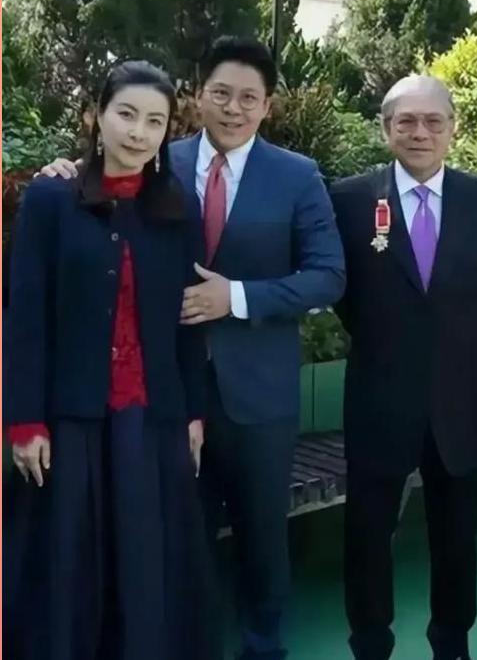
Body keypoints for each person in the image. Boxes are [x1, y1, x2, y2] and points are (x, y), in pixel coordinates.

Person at [35, 35, 346, 660]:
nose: (233, 108)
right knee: (174, 534)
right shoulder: (156, 158)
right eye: (221, 93)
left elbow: (329, 275)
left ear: (267, 106)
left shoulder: (297, 176)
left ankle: (262, 647)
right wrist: (63, 170)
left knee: (262, 536)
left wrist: (237, 297)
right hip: (164, 394)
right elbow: (94, 196)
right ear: (197, 95)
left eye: (249, 98)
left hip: (257, 394)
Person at [3, 60, 208, 660]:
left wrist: (194, 412)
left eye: (155, 121)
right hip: (71, 420)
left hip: (154, 418)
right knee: (70, 566)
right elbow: (26, 316)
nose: (138, 132)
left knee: (147, 564)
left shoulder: (177, 208)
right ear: (96, 115)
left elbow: (189, 322)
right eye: (126, 114)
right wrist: (24, 421)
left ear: (167, 131)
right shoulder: (50, 199)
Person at [329, 75, 477, 660]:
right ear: (386, 129)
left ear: (452, 129)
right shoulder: (349, 200)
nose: (420, 132)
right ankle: (370, 643)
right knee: (367, 536)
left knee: (457, 537)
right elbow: (340, 290)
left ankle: (451, 643)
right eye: (406, 121)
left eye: (434, 121)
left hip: (460, 398)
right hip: (379, 395)